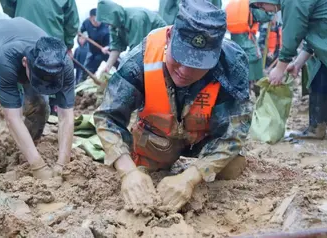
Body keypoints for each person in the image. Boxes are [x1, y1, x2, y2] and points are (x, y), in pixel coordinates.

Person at [94, 0, 252, 213]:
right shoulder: (140, 58)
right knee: (143, 170)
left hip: (206, 136)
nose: (185, 71)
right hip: (159, 137)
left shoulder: (232, 64)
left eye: (198, 64)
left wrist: (190, 177)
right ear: (170, 37)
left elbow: (234, 133)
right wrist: (128, 171)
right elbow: (108, 117)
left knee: (232, 167)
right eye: (180, 57)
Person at [0, 17, 75, 180]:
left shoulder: (62, 65)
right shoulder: (5, 58)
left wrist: (62, 163)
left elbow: (66, 116)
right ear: (25, 63)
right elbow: (12, 117)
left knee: (40, 106)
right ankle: (34, 160)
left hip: (33, 60)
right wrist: (39, 167)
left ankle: (26, 153)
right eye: (38, 81)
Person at [250, 0, 327, 139]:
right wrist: (297, 63)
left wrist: (280, 67)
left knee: (322, 74)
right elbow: (313, 35)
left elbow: (294, 32)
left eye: (261, 4)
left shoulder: (292, 2)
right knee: (319, 76)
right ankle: (316, 129)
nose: (263, 10)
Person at [96, 0, 167, 73]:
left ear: (114, 15)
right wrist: (108, 66)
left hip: (162, 44)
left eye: (108, 21)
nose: (107, 25)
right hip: (146, 50)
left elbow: (137, 49)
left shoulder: (136, 18)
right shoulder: (114, 26)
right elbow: (116, 47)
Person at [226, 0, 272, 97]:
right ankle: (258, 97)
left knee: (240, 72)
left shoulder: (231, 4)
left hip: (234, 44)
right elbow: (264, 17)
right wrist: (270, 12)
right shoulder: (250, 5)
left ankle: (243, 99)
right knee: (256, 73)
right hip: (249, 44)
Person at [0, 0, 79, 53]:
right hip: (54, 50)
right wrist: (68, 46)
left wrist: (19, 12)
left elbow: (7, 6)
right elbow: (72, 25)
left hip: (23, 46)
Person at [78, 8, 110, 83]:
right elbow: (81, 31)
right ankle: (79, 85)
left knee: (94, 67)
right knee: (85, 68)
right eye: (94, 20)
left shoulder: (106, 27)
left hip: (103, 52)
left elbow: (113, 42)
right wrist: (81, 38)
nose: (97, 23)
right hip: (91, 49)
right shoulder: (86, 22)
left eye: (98, 20)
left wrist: (107, 47)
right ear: (90, 18)